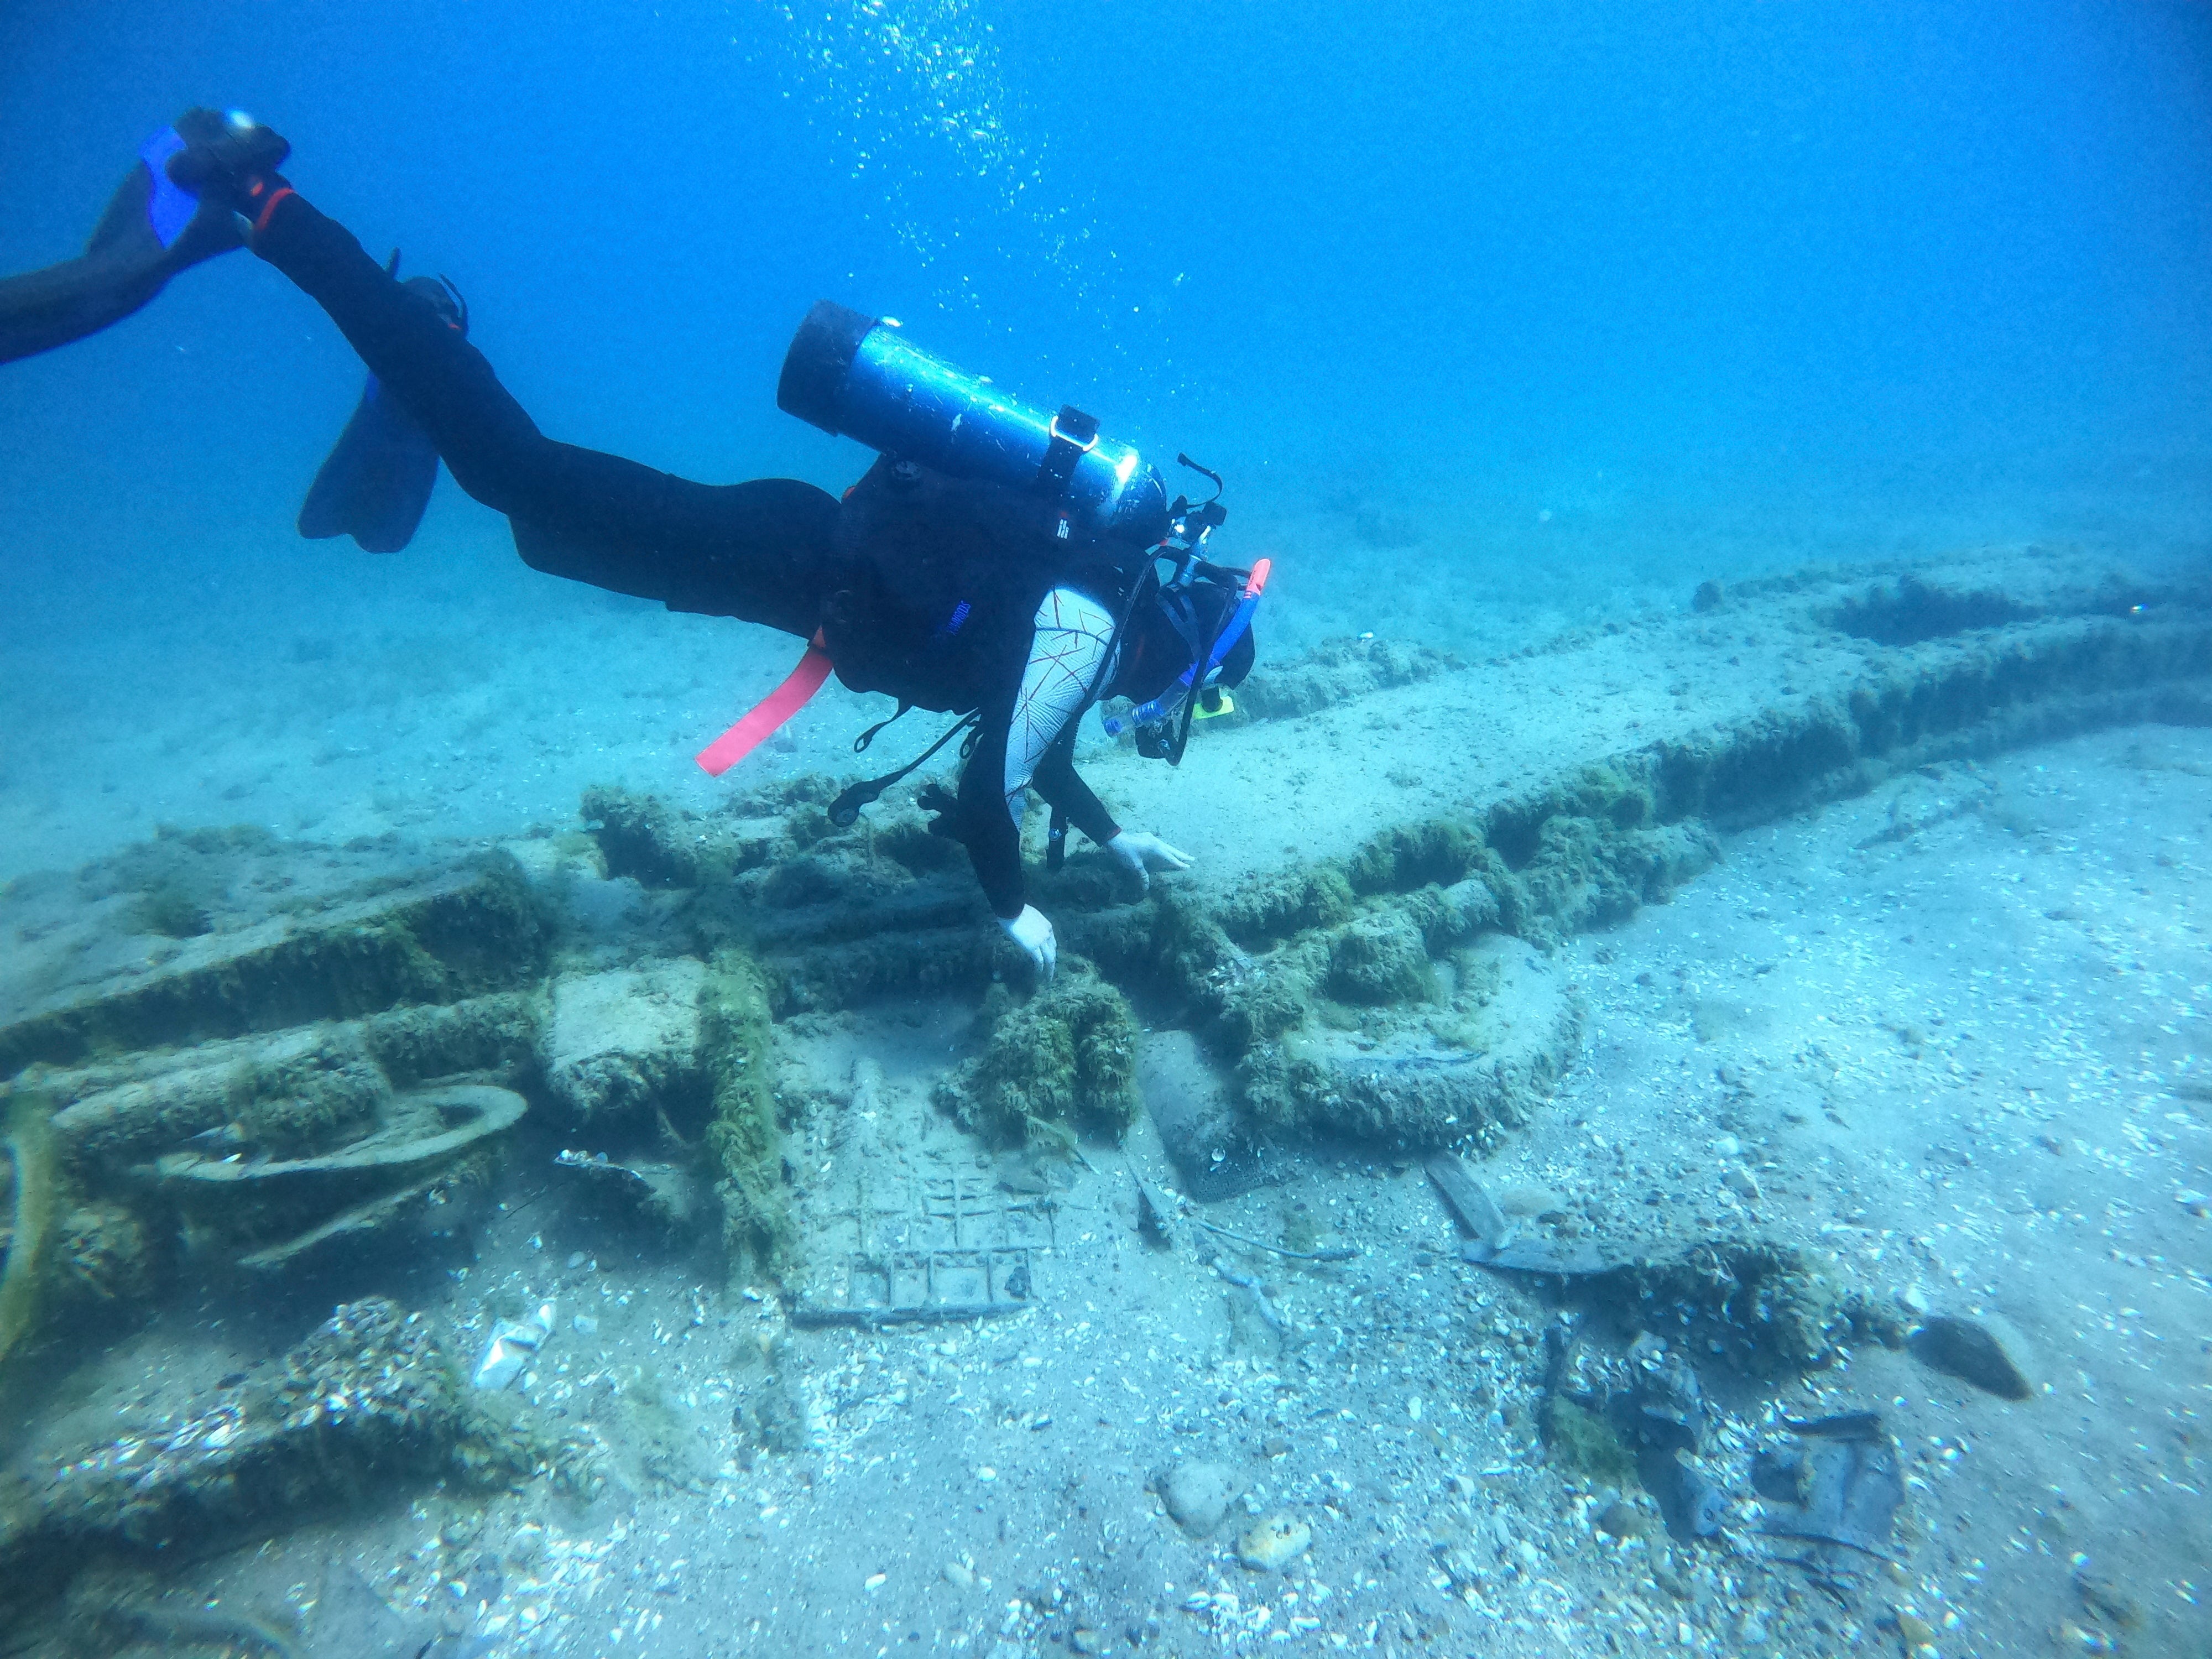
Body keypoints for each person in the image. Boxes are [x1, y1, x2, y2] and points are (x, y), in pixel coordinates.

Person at [161, 112, 1258, 977]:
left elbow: (1034, 746)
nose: (1168, 713)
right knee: (517, 478)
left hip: (781, 560)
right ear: (1181, 651)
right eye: (1192, 698)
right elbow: (988, 793)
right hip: (777, 556)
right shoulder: (1089, 623)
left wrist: (1111, 840)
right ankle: (272, 210)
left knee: (539, 531)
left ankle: (422, 346)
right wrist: (1012, 911)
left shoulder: (1091, 616)